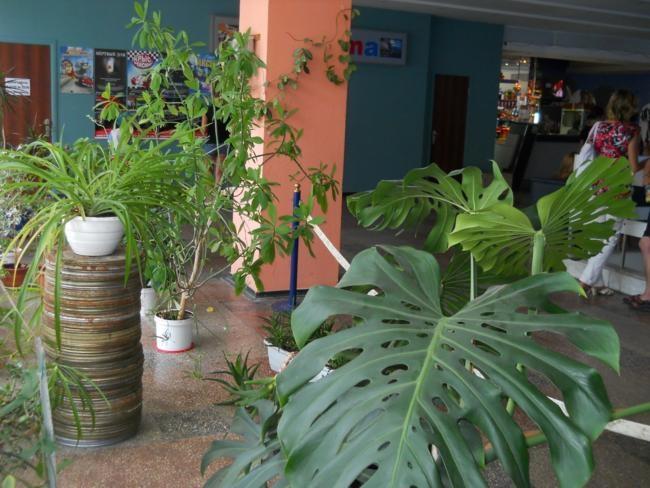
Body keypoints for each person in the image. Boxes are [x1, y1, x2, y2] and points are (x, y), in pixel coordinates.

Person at [579, 89, 641, 297]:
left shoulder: (599, 126)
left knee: (598, 234)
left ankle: (596, 283)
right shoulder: (632, 130)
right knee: (611, 237)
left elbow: (588, 153)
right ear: (630, 107)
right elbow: (634, 166)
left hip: (595, 185)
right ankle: (586, 280)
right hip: (617, 188)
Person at [201, 103, 229, 183]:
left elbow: (203, 131)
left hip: (210, 144)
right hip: (224, 143)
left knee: (207, 172)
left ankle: (209, 191)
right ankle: (217, 190)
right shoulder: (228, 108)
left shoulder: (207, 110)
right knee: (219, 172)